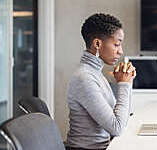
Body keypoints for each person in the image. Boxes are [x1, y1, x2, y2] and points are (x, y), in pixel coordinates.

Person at [66, 13, 136, 150]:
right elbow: (117, 128)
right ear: (97, 43)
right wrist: (124, 84)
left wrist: (127, 81)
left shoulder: (95, 74)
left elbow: (122, 117)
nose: (120, 51)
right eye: (116, 44)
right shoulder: (84, 79)